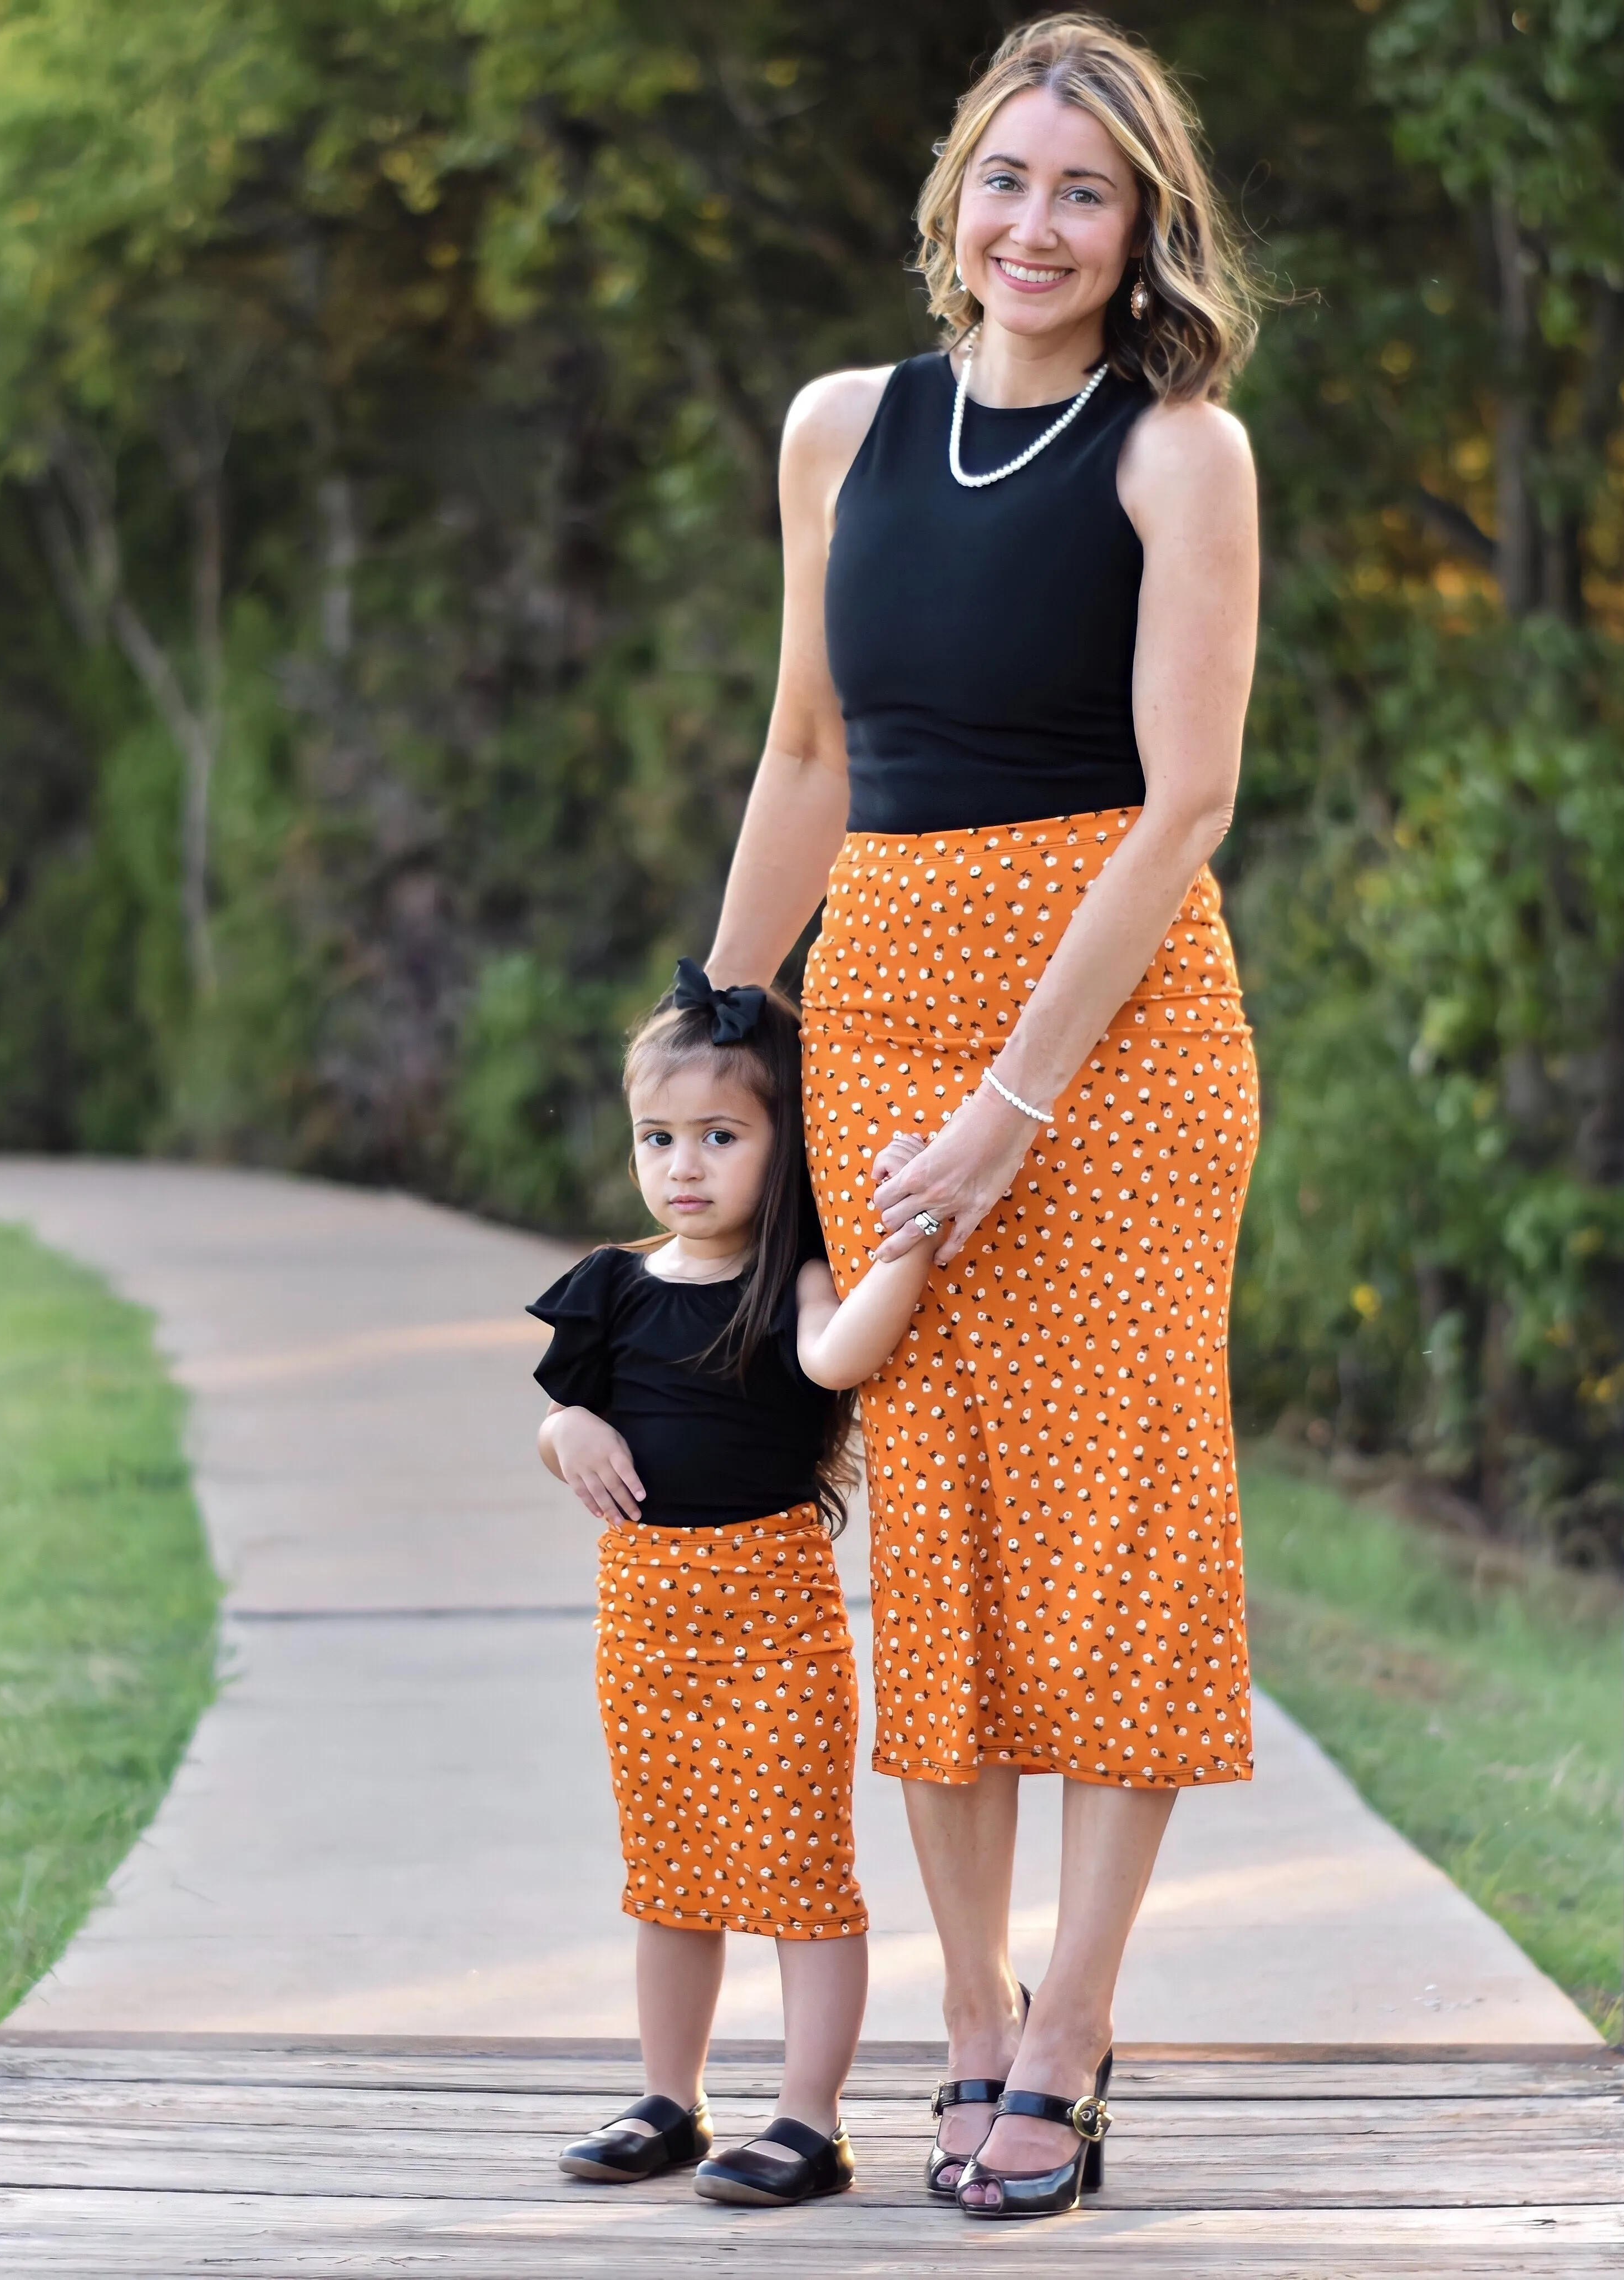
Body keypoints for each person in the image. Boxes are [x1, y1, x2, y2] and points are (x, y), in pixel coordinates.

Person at [702, 13, 1263, 2222]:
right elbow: (809, 755)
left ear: (1140, 236)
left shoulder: (1177, 453)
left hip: (1110, 1044)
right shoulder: (839, 429)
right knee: (927, 1528)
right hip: (883, 1013)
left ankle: (1074, 2029)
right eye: (1007, 180)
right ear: (954, 194)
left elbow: (1189, 796)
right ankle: (961, 2010)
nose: (1035, 226)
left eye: (1086, 194)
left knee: (1114, 1537)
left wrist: (1020, 1098)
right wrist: (731, 1027)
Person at [530, 960, 939, 2208]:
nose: (684, 1165)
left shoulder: (788, 1282)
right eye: (659, 1137)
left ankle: (808, 2119)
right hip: (646, 1621)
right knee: (669, 1868)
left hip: (771, 1612)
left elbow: (839, 1355)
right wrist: (567, 1438)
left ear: (783, 1143)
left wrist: (908, 1242)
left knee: (797, 1869)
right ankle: (671, 2094)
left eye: (720, 1134)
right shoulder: (613, 1285)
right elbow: (564, 1417)